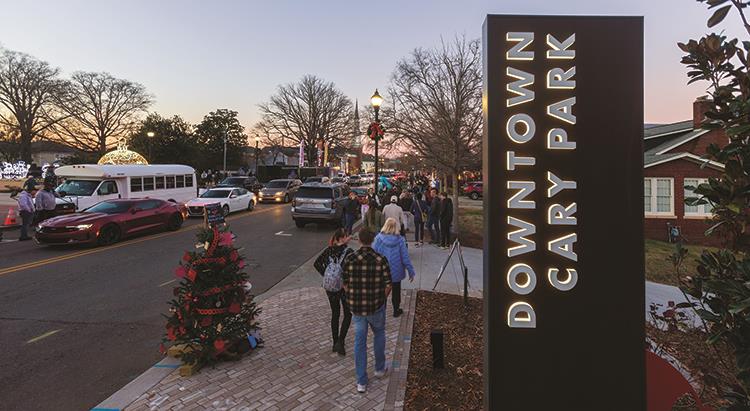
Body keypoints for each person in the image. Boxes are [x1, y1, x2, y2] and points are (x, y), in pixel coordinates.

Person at [342, 229, 392, 394]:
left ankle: (361, 381)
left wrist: (351, 297)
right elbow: (388, 284)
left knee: (359, 342)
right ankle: (379, 368)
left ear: (359, 241)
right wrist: (381, 299)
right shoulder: (380, 259)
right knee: (379, 334)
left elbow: (345, 282)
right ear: (372, 241)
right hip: (376, 306)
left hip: (357, 308)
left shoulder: (350, 259)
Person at [314, 229, 354, 356]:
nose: (349, 238)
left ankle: (335, 341)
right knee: (347, 314)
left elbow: (317, 263)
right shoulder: (349, 252)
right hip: (343, 287)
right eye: (347, 236)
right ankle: (341, 341)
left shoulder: (329, 250)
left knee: (335, 313)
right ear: (342, 238)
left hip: (330, 288)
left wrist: (327, 274)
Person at [373, 218, 416, 317]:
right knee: (396, 291)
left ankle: (381, 311)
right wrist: (411, 271)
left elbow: (374, 254)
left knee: (382, 291)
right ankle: (396, 310)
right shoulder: (400, 240)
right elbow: (405, 257)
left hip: (382, 270)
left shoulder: (378, 238)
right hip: (396, 270)